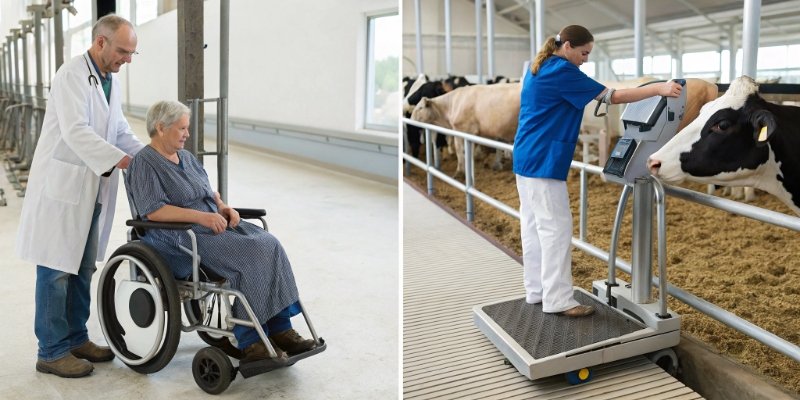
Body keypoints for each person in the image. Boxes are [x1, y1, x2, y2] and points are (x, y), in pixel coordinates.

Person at [126, 100, 316, 363]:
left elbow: (209, 192)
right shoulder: (144, 163)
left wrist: (224, 208)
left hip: (212, 225)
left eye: (187, 128)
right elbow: (153, 211)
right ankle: (251, 342)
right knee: (250, 254)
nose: (187, 134)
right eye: (182, 128)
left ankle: (281, 329)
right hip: (178, 236)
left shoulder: (188, 159)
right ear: (160, 127)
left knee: (269, 243)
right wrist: (202, 217)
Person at [513, 25, 682, 317]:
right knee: (556, 229)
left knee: (533, 227)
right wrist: (659, 88)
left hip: (526, 156)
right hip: (543, 159)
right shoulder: (562, 71)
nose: (585, 59)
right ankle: (558, 299)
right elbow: (611, 97)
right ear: (567, 46)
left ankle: (537, 292)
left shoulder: (537, 67)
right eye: (583, 53)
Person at [16, 14, 145, 378]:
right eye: (123, 51)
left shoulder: (108, 80)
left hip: (91, 188)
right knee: (56, 269)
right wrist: (121, 160)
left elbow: (118, 128)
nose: (127, 59)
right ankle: (52, 351)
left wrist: (146, 157)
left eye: (133, 53)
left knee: (83, 268)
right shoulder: (72, 74)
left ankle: (75, 337)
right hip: (63, 187)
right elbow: (76, 131)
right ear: (101, 42)